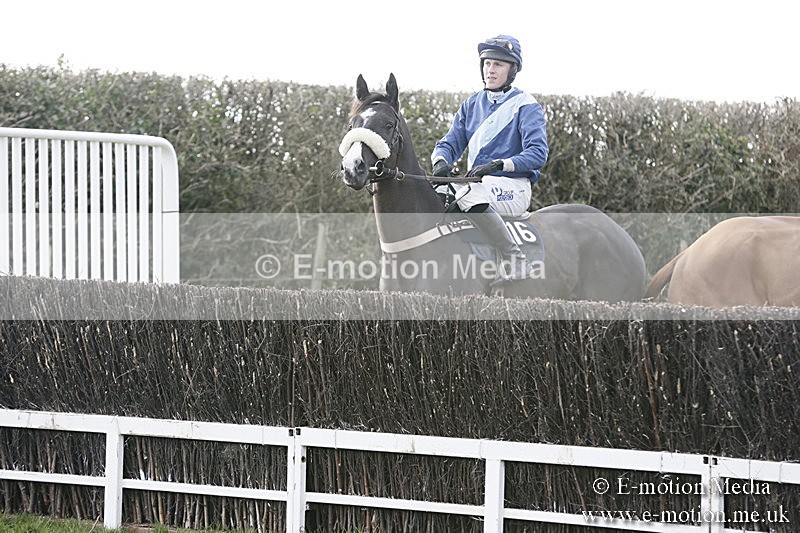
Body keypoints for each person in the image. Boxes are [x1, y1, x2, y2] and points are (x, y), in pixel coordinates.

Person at [431, 34, 549, 282]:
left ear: (512, 69)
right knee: (436, 192)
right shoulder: (471, 105)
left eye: (498, 64)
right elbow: (449, 143)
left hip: (514, 188)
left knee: (467, 192)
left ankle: (515, 258)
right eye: (486, 63)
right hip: (479, 186)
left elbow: (538, 153)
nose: (490, 70)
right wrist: (440, 162)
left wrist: (500, 164)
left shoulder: (527, 106)